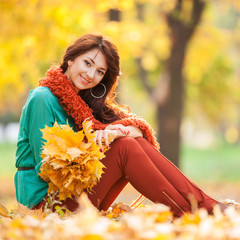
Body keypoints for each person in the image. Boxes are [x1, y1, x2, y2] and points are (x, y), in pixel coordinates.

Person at [15, 33, 225, 217]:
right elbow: (47, 168)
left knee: (129, 143)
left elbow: (137, 131)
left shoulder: (84, 105)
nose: (91, 75)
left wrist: (112, 133)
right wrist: (95, 144)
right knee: (125, 147)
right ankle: (192, 213)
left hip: (78, 197)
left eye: (100, 71)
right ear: (70, 59)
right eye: (87, 63)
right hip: (47, 206)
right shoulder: (42, 98)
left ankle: (205, 206)